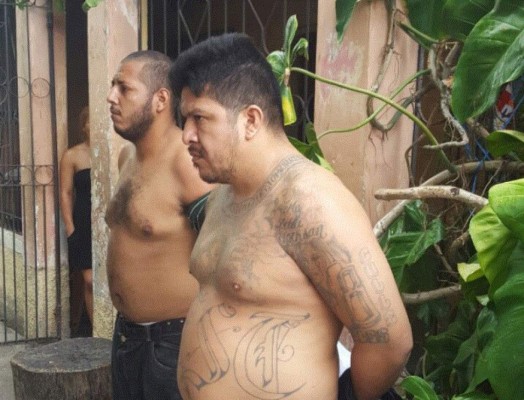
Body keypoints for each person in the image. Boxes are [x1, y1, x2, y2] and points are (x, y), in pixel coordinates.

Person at [170, 33, 413, 400]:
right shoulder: (222, 196)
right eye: (185, 118)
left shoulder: (310, 201)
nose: (186, 135)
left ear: (251, 120)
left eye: (199, 118)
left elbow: (389, 342)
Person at [105, 50, 215, 400]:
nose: (111, 97)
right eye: (112, 86)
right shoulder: (127, 157)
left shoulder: (187, 164)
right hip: (127, 338)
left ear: (160, 100)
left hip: (171, 344)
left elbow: (223, 251)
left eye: (124, 88)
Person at [59, 106, 93, 333]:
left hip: (108, 223)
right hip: (82, 222)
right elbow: (65, 193)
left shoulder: (114, 151)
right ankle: (97, 330)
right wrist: (70, 228)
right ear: (83, 126)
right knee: (89, 280)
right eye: (90, 120)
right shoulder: (72, 155)